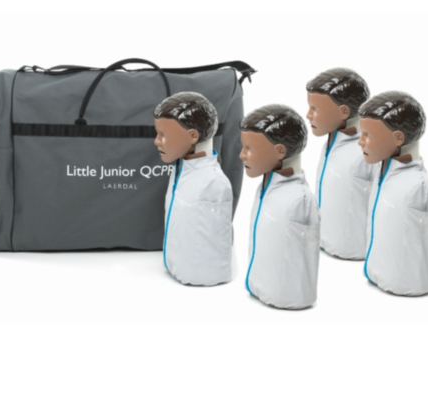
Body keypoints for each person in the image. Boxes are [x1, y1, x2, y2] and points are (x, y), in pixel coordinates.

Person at [358, 91, 428, 296]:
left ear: (398, 138)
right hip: (377, 275)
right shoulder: (382, 171)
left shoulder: (418, 186)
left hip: (404, 286)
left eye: (368, 135)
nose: (360, 141)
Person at [239, 104, 319, 309]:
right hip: (260, 288)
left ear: (280, 151)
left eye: (249, 148)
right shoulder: (265, 187)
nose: (241, 155)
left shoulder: (299, 199)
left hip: (286, 298)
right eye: (242, 146)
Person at [153, 91, 232, 286]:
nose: (156, 141)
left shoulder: (213, 182)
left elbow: (215, 240)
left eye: (163, 135)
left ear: (193, 136)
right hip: (177, 267)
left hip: (200, 277)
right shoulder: (181, 169)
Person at [306, 67, 376, 260]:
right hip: (323, 246)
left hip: (355, 253)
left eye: (315, 109)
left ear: (344, 111)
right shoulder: (331, 144)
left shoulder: (367, 152)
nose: (308, 115)